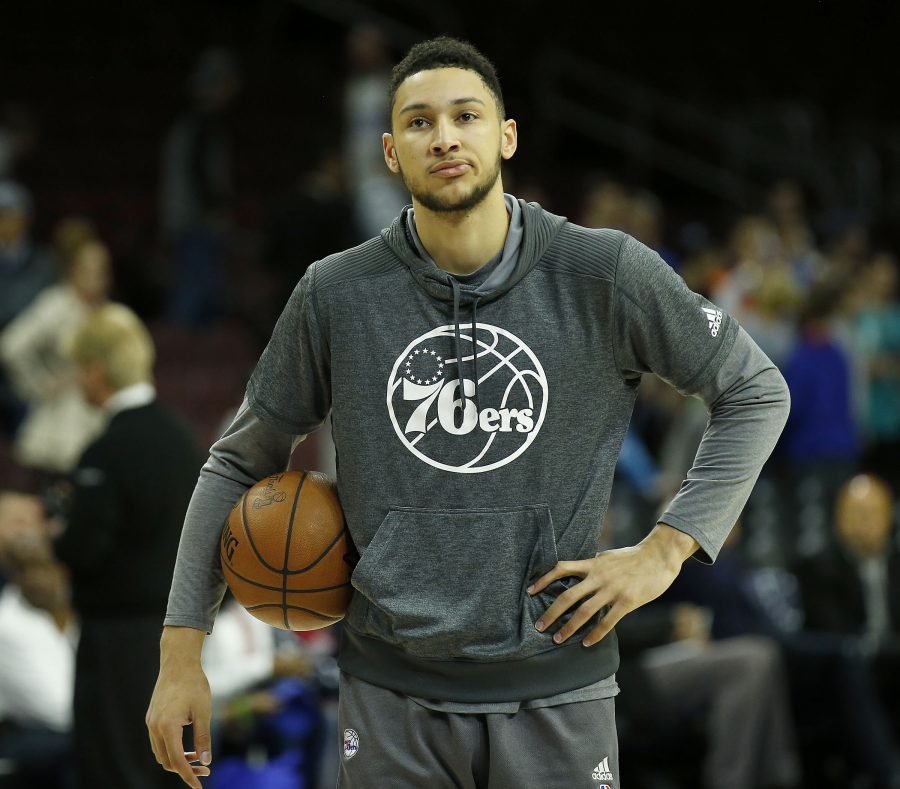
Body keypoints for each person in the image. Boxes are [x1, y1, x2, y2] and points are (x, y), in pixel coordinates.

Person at [148, 37, 790, 788]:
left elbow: (754, 389)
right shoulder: (336, 293)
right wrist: (180, 652)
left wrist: (668, 547)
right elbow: (237, 458)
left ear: (506, 135)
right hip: (392, 699)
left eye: (466, 115)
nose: (445, 136)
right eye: (419, 123)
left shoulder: (603, 271)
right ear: (390, 152)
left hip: (559, 691)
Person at [53, 304, 203, 788]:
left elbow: (82, 548)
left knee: (114, 772)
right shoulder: (185, 441)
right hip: (177, 642)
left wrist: (57, 534)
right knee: (169, 771)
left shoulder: (107, 450)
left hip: (115, 641)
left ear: (94, 371)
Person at [0, 238, 111, 475]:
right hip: (63, 414)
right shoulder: (56, 305)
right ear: (73, 270)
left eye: (101, 270)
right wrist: (39, 385)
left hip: (101, 413)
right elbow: (11, 346)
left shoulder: (109, 312)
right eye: (88, 269)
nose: (96, 276)